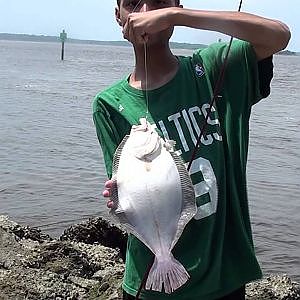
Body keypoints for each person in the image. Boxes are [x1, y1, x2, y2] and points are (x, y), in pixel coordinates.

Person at [92, 1, 290, 299]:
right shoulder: (108, 104)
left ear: (176, 8)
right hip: (149, 283)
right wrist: (118, 196)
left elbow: (278, 35)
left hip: (222, 279)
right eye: (133, 3)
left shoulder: (215, 68)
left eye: (160, 2)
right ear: (118, 15)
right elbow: (123, 187)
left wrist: (179, 18)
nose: (148, 12)